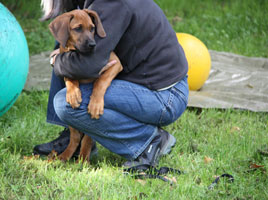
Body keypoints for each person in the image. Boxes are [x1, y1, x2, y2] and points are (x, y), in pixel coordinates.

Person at [34, 0, 189, 168]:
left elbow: (87, 66)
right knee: (66, 45)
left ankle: (148, 141)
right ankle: (74, 137)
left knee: (64, 102)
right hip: (153, 85)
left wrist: (56, 60)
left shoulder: (111, 3)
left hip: (165, 95)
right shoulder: (94, 7)